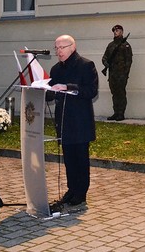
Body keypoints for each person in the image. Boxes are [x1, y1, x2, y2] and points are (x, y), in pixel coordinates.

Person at [48, 34, 99, 207]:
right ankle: (71, 189)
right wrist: (39, 89)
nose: (58, 51)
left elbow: (91, 91)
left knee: (80, 159)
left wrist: (68, 87)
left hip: (80, 121)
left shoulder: (86, 65)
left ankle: (81, 193)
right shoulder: (56, 69)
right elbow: (51, 93)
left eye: (62, 47)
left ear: (73, 47)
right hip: (63, 120)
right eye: (56, 48)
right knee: (68, 158)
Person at [102, 24, 132, 121]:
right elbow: (104, 57)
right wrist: (106, 64)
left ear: (122, 32)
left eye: (118, 30)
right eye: (114, 31)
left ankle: (121, 113)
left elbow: (128, 61)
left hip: (121, 74)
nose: (115, 32)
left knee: (121, 93)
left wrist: (125, 74)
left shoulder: (126, 45)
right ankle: (115, 113)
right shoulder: (111, 45)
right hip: (112, 74)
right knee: (114, 93)